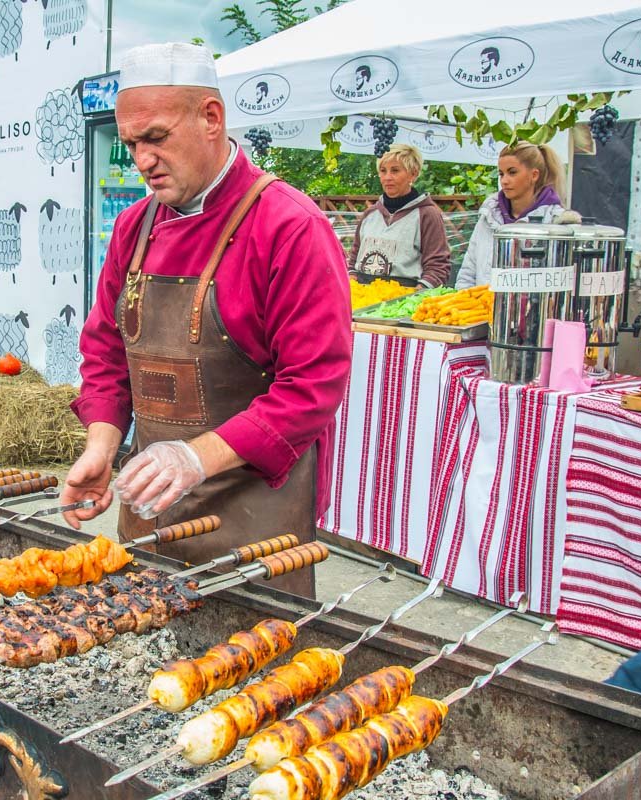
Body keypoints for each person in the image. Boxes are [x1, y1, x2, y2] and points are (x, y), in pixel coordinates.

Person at [59, 42, 353, 598]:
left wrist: (195, 457)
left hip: (254, 525)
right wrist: (101, 448)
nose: (141, 160)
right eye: (131, 144)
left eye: (157, 138)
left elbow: (313, 385)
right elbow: (105, 350)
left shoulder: (290, 226)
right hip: (149, 514)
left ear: (211, 118)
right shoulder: (132, 229)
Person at [456, 142, 570, 289]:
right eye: (501, 174)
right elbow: (468, 272)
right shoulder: (487, 216)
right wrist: (463, 307)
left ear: (534, 175)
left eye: (512, 172)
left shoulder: (556, 223)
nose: (504, 180)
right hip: (479, 309)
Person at [348, 144, 451, 288]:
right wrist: (351, 280)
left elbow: (438, 266)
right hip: (363, 297)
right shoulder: (370, 214)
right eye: (383, 171)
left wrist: (417, 294)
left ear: (413, 174)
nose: (387, 177)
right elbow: (353, 259)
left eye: (395, 170)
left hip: (404, 298)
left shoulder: (427, 215)